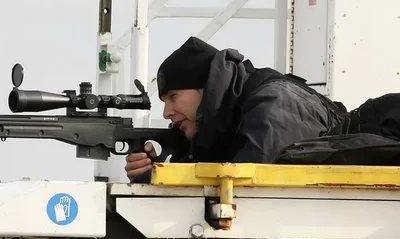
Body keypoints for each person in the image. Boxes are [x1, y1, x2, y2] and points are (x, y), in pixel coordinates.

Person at [125, 36, 346, 182]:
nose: (166, 113)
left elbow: (242, 191)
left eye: (174, 96)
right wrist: (159, 171)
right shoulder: (228, 121)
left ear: (206, 88)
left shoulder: (273, 106)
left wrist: (161, 180)